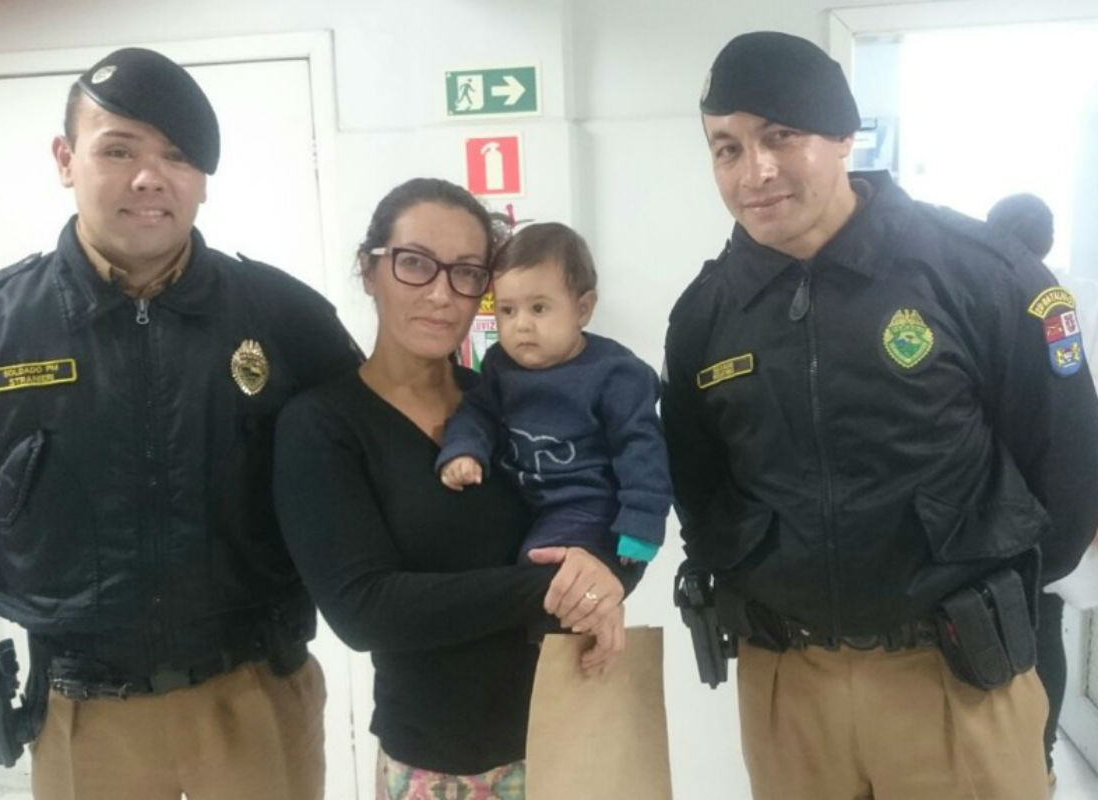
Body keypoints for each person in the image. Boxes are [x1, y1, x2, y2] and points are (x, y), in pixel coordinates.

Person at [0, 47, 360, 800]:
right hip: (85, 710)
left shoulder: (287, 319)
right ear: (65, 159)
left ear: (202, 178)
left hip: (255, 692)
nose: (150, 178)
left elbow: (355, 466)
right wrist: (44, 583)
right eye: (118, 150)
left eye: (177, 156)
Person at [662, 31, 1098, 800]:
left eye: (780, 136)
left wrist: (994, 599)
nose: (754, 171)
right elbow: (699, 490)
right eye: (726, 148)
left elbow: (1066, 472)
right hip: (790, 687)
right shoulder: (707, 313)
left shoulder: (979, 273)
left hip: (956, 678)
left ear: (842, 136)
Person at [272, 178, 633, 799]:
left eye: (467, 273)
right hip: (443, 765)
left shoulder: (504, 399)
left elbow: (604, 506)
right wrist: (557, 587)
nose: (441, 293)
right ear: (369, 270)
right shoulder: (323, 425)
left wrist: (613, 575)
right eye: (414, 263)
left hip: (575, 729)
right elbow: (365, 610)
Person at [435, 222, 671, 566]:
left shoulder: (615, 374)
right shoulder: (500, 364)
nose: (521, 324)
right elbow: (477, 412)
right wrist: (464, 451)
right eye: (507, 310)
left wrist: (641, 526)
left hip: (588, 508)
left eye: (539, 308)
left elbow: (641, 450)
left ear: (582, 309)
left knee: (541, 567)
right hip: (521, 499)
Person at [987, 192, 1066, 784]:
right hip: (1058, 493)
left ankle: (1015, 761)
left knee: (1009, 624)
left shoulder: (982, 290)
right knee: (1044, 620)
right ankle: (1040, 761)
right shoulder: (1066, 296)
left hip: (1003, 496)